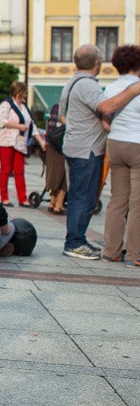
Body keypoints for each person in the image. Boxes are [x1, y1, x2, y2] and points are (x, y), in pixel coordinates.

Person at [59, 43, 140, 260]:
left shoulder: (74, 82)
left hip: (85, 145)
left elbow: (63, 116)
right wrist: (133, 90)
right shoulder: (88, 85)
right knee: (85, 198)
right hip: (88, 149)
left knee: (108, 198)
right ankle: (75, 242)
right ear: (97, 63)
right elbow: (105, 108)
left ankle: (102, 247)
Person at [101, 44, 140, 267]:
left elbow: (105, 121)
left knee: (117, 199)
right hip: (137, 144)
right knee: (137, 202)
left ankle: (111, 250)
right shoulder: (137, 87)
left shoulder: (110, 88)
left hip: (115, 143)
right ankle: (135, 253)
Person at [0, 81, 45, 206]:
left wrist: (41, 141)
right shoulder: (7, 104)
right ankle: (4, 197)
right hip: (7, 141)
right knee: (6, 169)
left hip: (20, 143)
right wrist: (18, 126)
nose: (25, 95)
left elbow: (31, 126)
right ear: (18, 92)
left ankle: (22, 198)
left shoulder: (24, 107)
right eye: (24, 92)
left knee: (19, 171)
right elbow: (1, 121)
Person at [45, 103, 66, 214]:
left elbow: (50, 125)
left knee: (54, 173)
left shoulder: (56, 106)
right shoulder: (71, 106)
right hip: (63, 143)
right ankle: (59, 204)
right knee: (65, 174)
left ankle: (52, 201)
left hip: (52, 142)